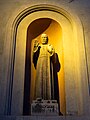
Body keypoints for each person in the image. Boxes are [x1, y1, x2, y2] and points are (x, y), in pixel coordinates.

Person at [33, 34, 56, 100]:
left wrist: (51, 51)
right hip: (40, 63)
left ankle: (49, 98)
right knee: (39, 79)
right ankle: (38, 97)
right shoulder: (39, 46)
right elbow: (34, 58)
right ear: (41, 39)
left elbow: (54, 58)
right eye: (43, 38)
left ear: (47, 39)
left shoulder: (50, 46)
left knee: (48, 78)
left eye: (45, 38)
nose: (44, 39)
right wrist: (35, 48)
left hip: (48, 63)